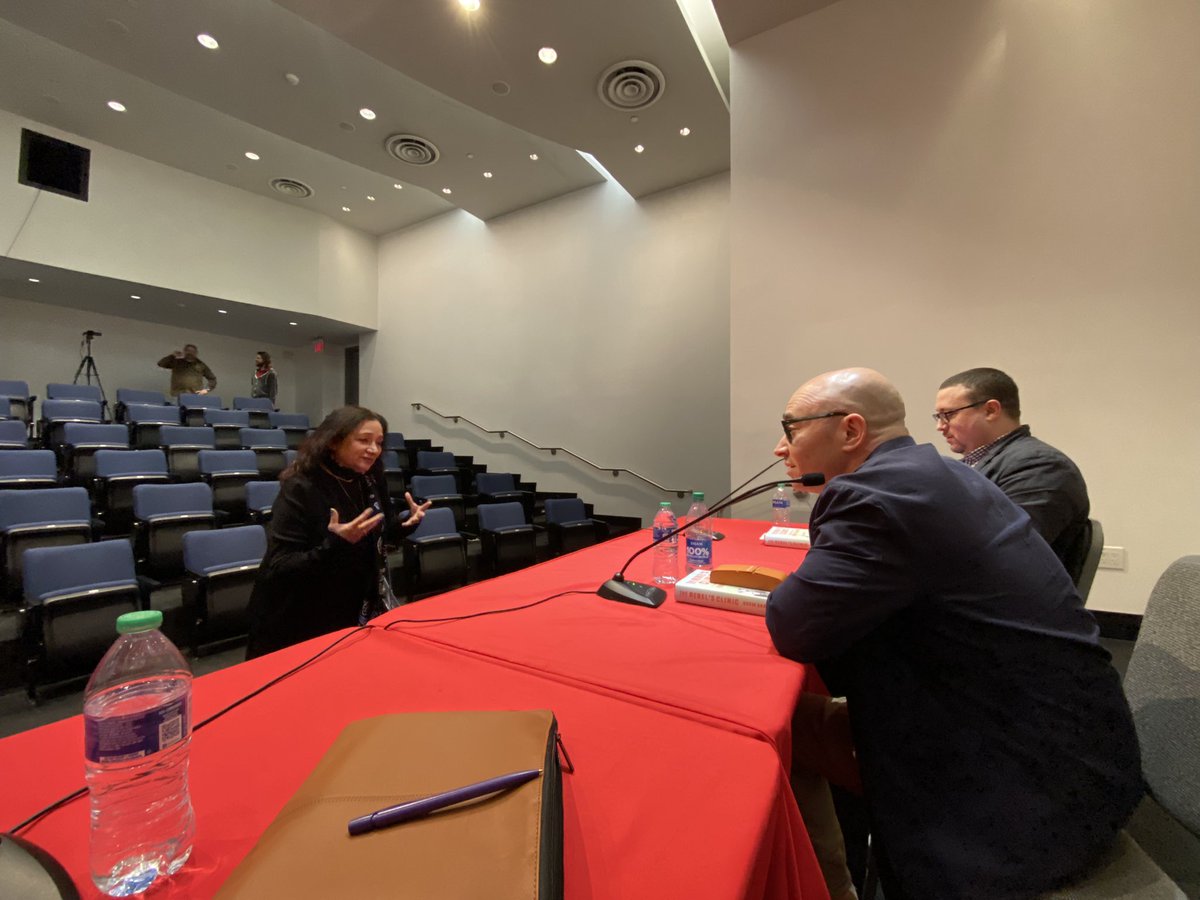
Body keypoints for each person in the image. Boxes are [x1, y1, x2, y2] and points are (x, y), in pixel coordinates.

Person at [766, 368, 1142, 900]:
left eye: (791, 427)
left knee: (769, 727)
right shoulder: (939, 473)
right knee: (793, 719)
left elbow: (793, 626)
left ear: (850, 432)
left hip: (1017, 790)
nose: (781, 447)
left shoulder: (876, 497)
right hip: (1066, 746)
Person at [245, 406, 431, 659]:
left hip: (352, 603)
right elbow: (281, 565)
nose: (374, 450)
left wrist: (406, 525)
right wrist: (336, 543)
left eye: (378, 442)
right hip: (299, 615)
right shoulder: (302, 486)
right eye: (363, 440)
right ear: (334, 441)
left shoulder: (371, 478)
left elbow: (379, 538)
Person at [934, 367, 1091, 581]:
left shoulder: (1041, 466)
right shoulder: (972, 466)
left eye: (948, 415)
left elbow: (1006, 553)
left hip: (1003, 606)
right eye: (938, 416)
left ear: (990, 410)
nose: (940, 427)